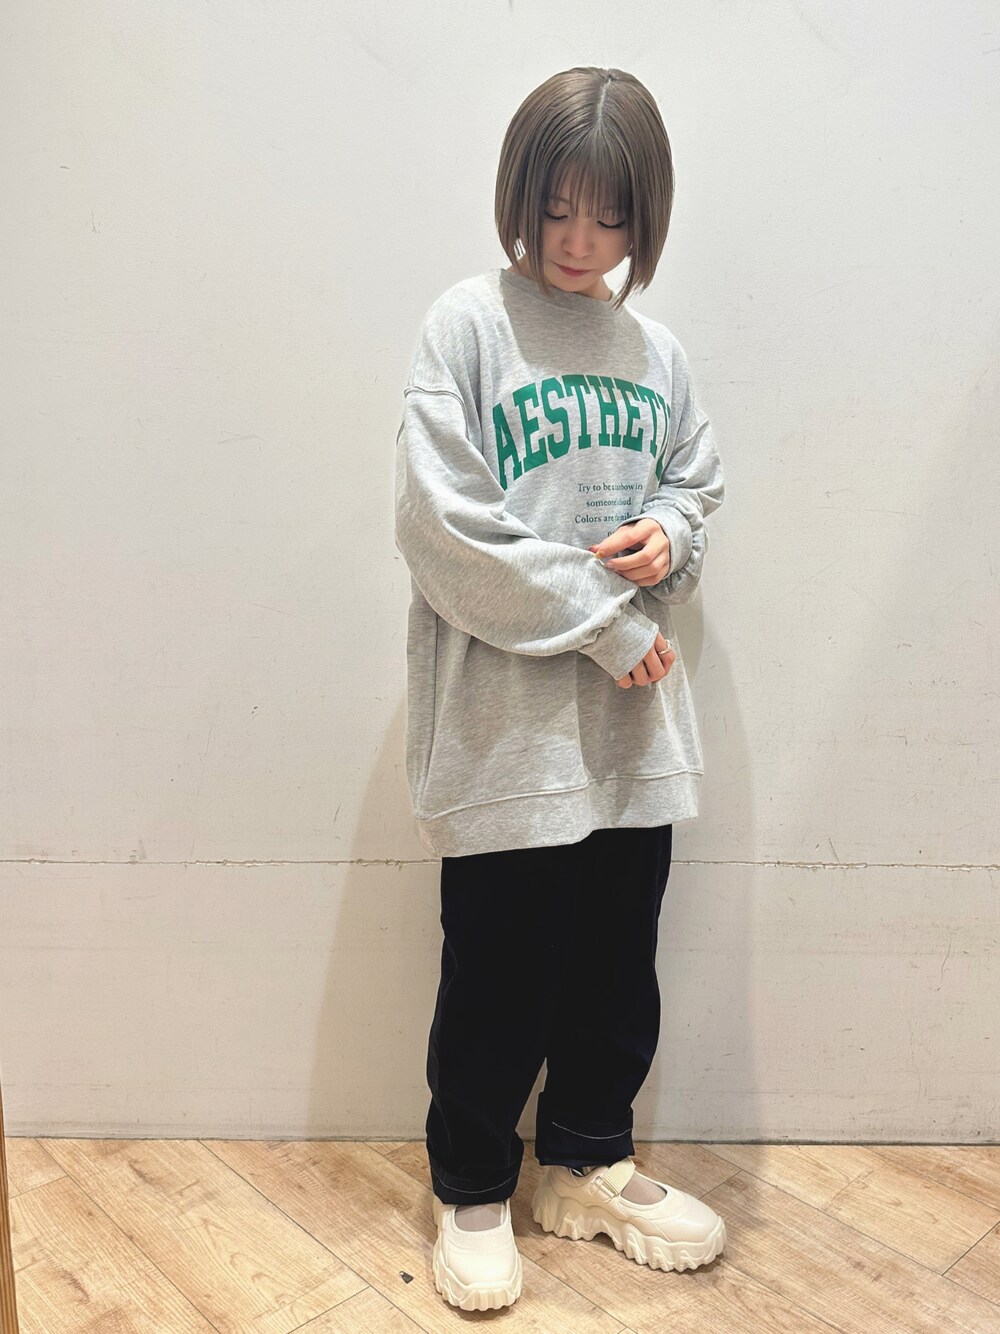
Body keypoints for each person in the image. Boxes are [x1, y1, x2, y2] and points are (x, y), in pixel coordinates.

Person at [393, 65, 727, 1312]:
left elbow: (695, 481)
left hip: (631, 726)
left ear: (646, 218)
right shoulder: (467, 327)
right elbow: (443, 529)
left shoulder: (654, 351)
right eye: (555, 209)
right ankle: (475, 1184)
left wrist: (669, 533)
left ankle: (585, 1157)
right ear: (518, 195)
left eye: (611, 216)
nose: (579, 240)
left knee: (613, 963)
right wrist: (603, 621)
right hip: (508, 732)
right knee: (498, 968)